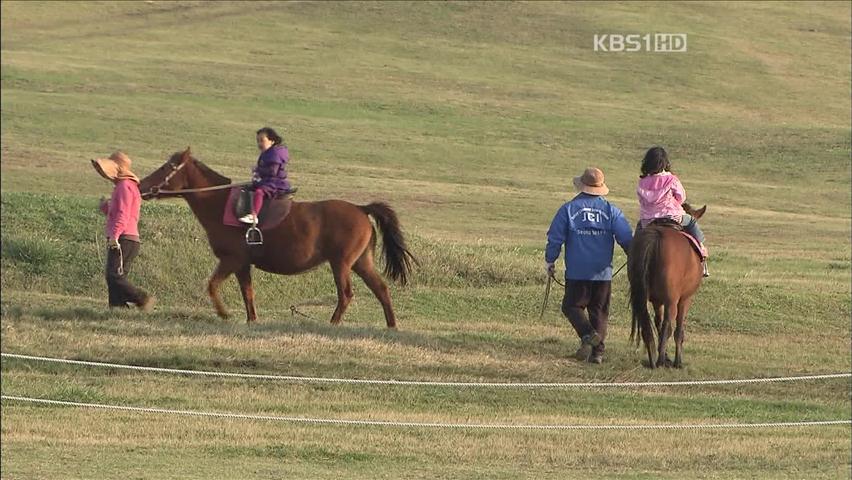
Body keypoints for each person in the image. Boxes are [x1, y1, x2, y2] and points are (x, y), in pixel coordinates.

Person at [545, 167, 632, 364]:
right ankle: (597, 353)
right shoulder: (612, 211)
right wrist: (633, 257)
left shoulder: (568, 209)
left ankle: (588, 334)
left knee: (571, 306)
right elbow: (626, 238)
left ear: (581, 186)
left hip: (577, 271)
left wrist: (550, 260)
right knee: (599, 311)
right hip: (603, 273)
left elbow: (555, 238)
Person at [91, 151, 155, 311]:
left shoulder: (124, 187)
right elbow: (119, 212)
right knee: (114, 277)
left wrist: (115, 236)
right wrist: (105, 207)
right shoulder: (126, 187)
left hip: (124, 238)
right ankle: (117, 308)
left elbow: (123, 214)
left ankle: (142, 298)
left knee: (114, 276)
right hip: (127, 238)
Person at [636, 146, 708, 277]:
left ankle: (633, 256)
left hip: (648, 220)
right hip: (672, 216)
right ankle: (702, 253)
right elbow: (681, 197)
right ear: (665, 162)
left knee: (639, 230)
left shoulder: (642, 182)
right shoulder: (671, 179)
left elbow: (641, 200)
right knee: (691, 221)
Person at [239, 127, 291, 224]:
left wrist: (258, 170)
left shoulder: (275, 153)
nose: (259, 144)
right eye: (257, 141)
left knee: (259, 192)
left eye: (262, 140)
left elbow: (273, 172)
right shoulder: (266, 153)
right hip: (266, 180)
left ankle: (253, 216)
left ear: (272, 141)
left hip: (275, 183)